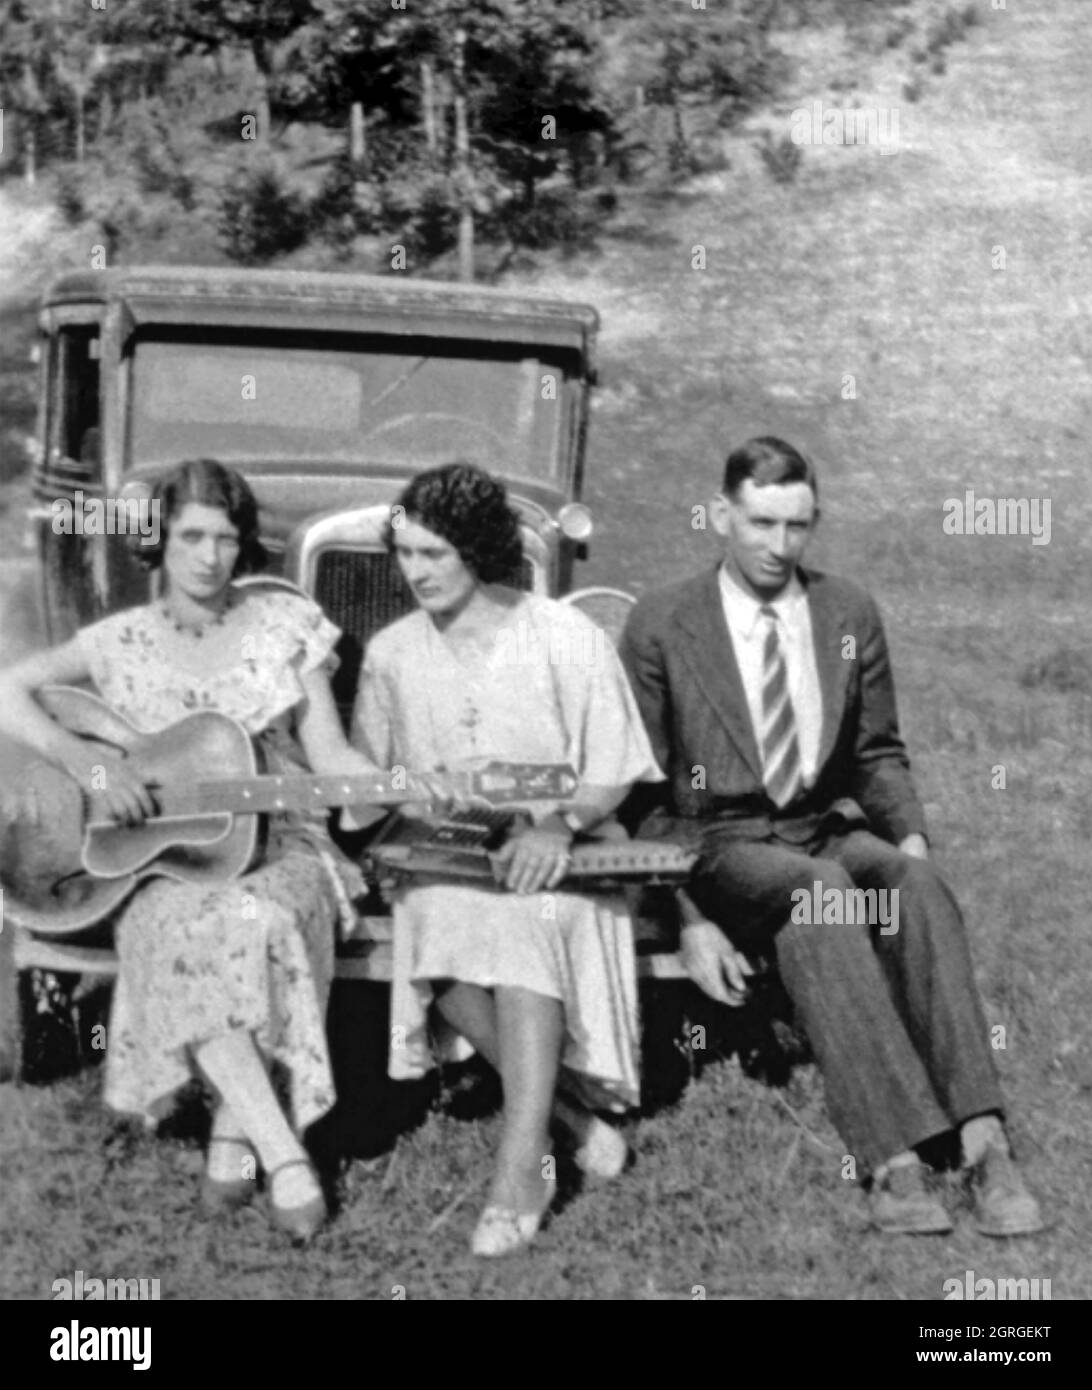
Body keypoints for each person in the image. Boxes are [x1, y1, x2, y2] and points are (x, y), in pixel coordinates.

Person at [619, 436, 1044, 1237]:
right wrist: (686, 917)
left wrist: (908, 840)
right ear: (721, 515)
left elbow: (876, 753)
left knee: (907, 884)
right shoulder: (663, 622)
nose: (779, 547)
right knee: (821, 895)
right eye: (760, 524)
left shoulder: (845, 612)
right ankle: (894, 1159)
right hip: (722, 845)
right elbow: (641, 795)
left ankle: (985, 1144)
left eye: (797, 526)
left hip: (818, 829)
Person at [0, 459, 378, 1243]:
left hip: (285, 845)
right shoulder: (121, 640)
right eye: (192, 537)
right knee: (176, 928)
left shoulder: (285, 630)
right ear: (160, 542)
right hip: (165, 860)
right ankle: (285, 1155)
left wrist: (393, 786)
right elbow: (7, 686)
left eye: (227, 539)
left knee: (253, 920)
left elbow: (331, 754)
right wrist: (89, 765)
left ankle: (233, 1134)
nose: (210, 557)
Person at [350, 463, 663, 1256]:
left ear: (478, 550)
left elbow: (612, 767)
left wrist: (557, 825)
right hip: (448, 856)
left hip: (569, 844)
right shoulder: (391, 654)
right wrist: (416, 799)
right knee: (434, 917)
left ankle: (520, 1170)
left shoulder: (562, 635)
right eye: (406, 554)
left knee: (531, 917)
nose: (415, 572)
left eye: (434, 554)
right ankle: (569, 1116)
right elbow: (365, 784)